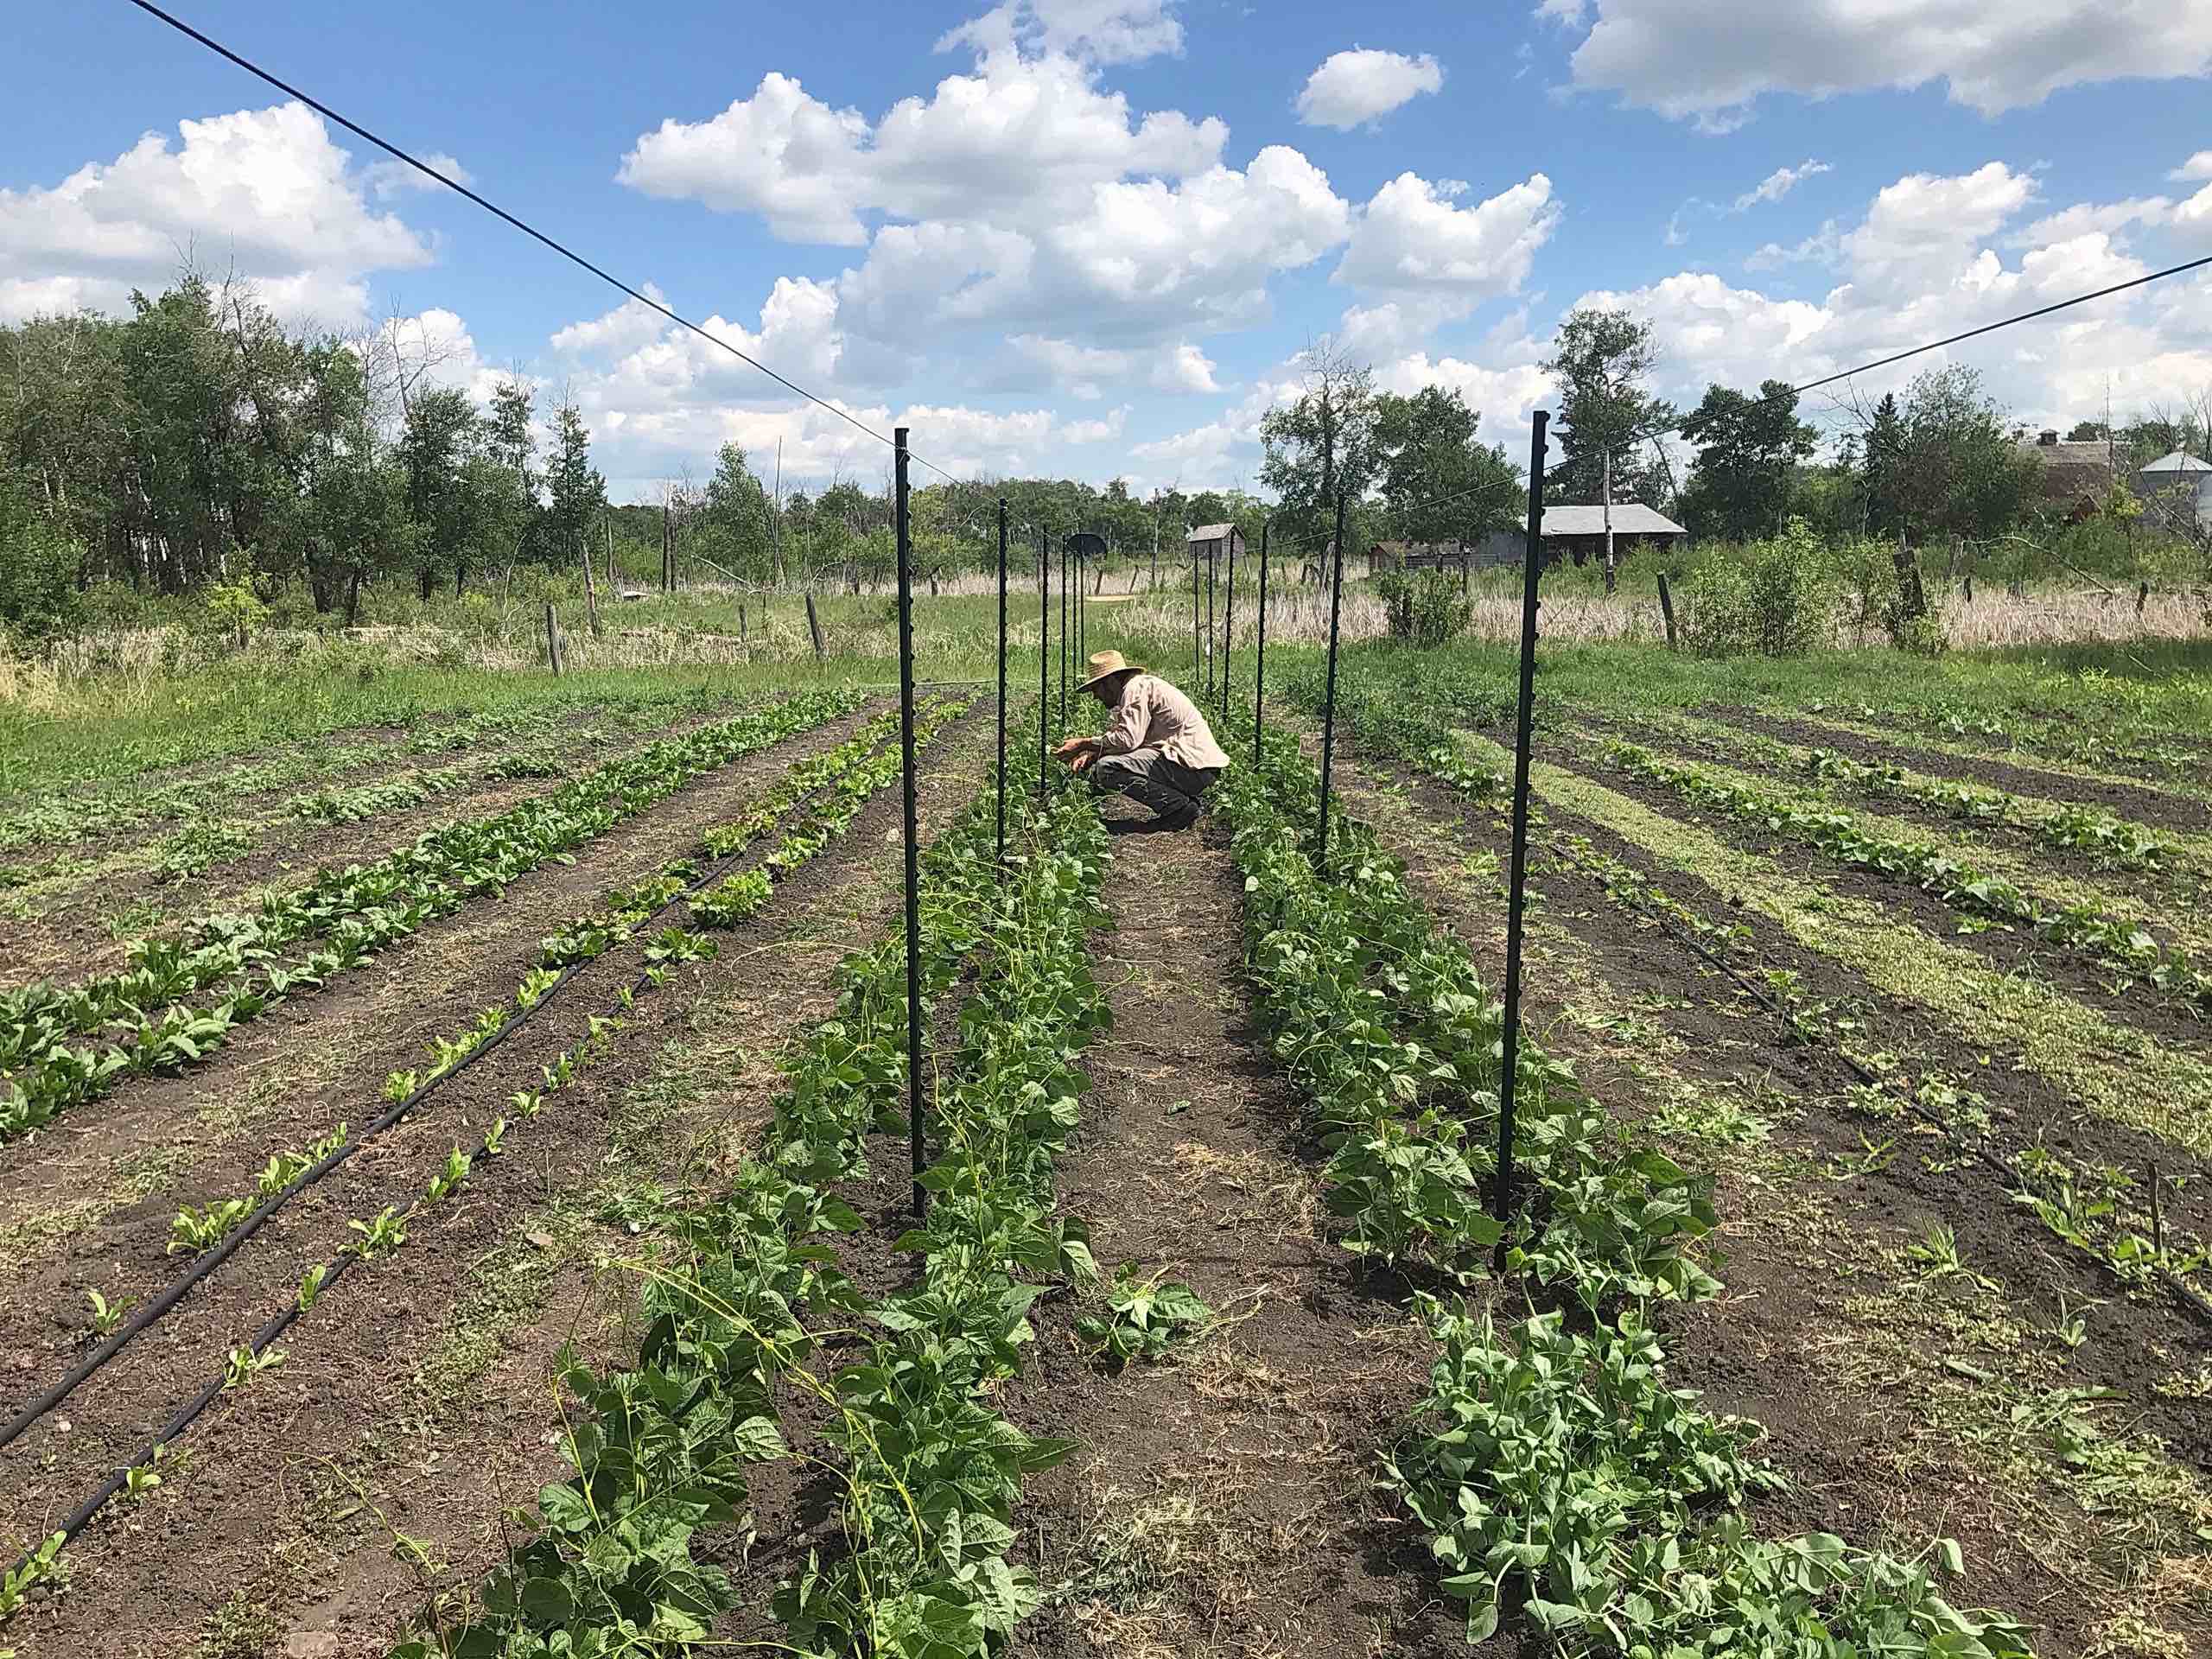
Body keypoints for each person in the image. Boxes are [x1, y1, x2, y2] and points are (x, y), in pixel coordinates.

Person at [1054, 651, 1230, 833]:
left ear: (1111, 682)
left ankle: (1179, 809)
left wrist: (1084, 743)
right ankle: (1180, 801)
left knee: (1107, 768)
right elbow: (1134, 741)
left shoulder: (1134, 689)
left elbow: (1128, 740)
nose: (1095, 697)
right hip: (1195, 769)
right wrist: (1094, 753)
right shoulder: (1140, 687)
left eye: (1096, 689)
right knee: (1105, 761)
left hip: (1195, 771)